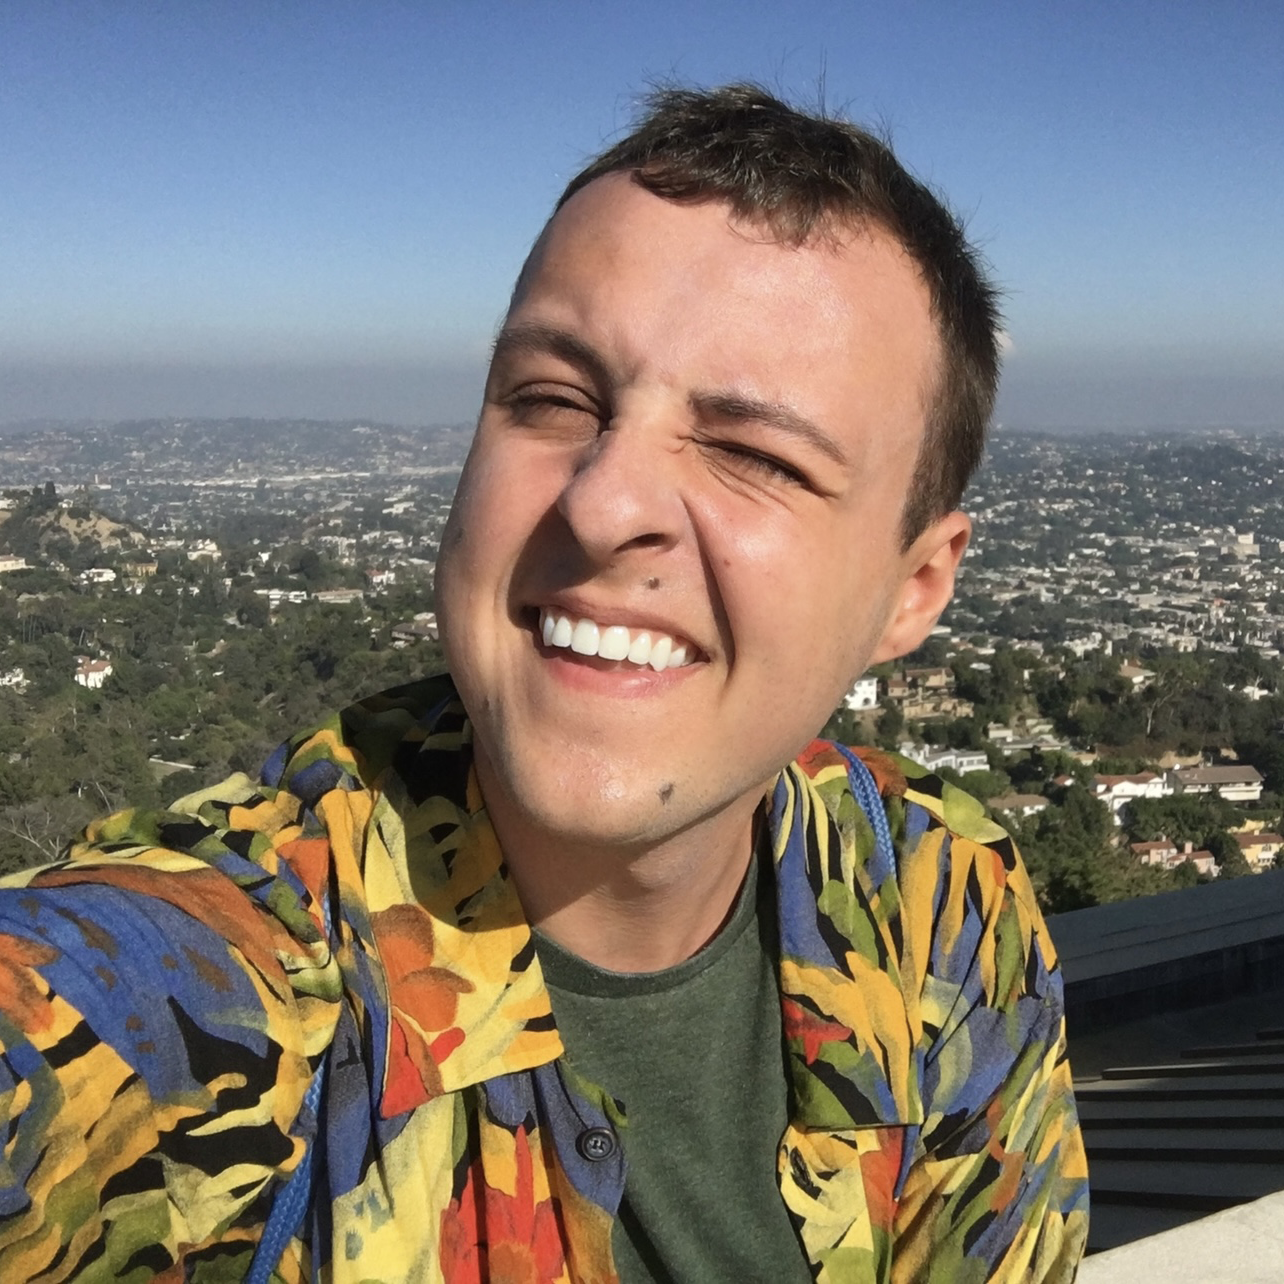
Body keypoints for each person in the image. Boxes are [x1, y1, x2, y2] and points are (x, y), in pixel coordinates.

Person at [0, 85, 1088, 1282]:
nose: (604, 499)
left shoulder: (936, 903)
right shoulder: (215, 995)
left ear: (914, 588)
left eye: (753, 453)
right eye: (551, 401)